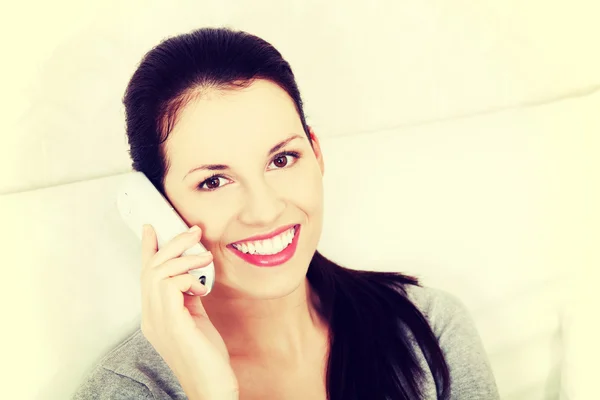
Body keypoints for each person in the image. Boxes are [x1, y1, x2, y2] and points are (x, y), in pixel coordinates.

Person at [72, 27, 500, 400]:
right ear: (157, 205)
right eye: (214, 181)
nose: (265, 210)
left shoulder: (428, 329)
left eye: (282, 160)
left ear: (316, 153)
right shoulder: (126, 391)